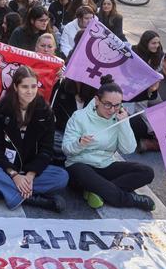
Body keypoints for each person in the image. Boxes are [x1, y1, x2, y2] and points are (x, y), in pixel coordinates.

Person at [0, 66, 69, 211]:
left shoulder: (46, 112)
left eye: (33, 86)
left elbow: (47, 149)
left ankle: (4, 191)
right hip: (7, 169)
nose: (30, 91)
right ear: (15, 87)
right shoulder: (0, 110)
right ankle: (34, 199)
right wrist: (14, 174)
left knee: (62, 176)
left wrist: (30, 175)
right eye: (24, 87)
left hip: (31, 171)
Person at [62, 75, 155, 211]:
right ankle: (128, 199)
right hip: (80, 165)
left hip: (105, 165)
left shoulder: (118, 117)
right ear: (96, 100)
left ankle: (99, 191)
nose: (112, 110)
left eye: (117, 105)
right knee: (79, 169)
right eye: (107, 104)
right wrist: (79, 143)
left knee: (147, 172)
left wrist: (124, 123)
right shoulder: (80, 117)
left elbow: (128, 150)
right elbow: (66, 150)